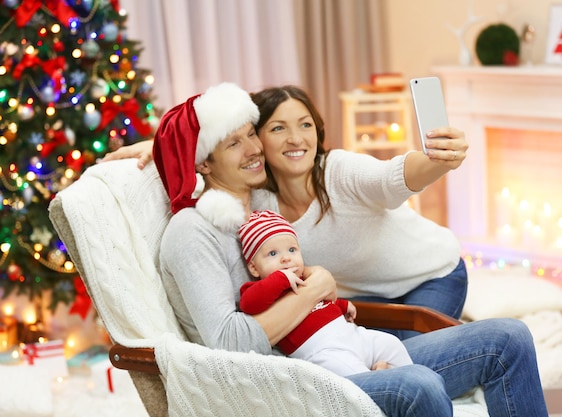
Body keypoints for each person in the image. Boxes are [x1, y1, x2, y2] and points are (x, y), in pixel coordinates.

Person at [141, 81, 548, 416]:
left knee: (509, 337)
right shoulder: (192, 231)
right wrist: (317, 289)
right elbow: (230, 343)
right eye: (233, 144)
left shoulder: (263, 202)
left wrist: (439, 160)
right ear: (202, 163)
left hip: (345, 340)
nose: (252, 149)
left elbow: (391, 177)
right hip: (295, 379)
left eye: (251, 135)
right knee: (417, 383)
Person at [104, 84, 469, 339]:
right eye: (278, 128)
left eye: (306, 125)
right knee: (357, 358)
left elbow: (395, 175)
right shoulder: (257, 201)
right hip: (363, 297)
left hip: (433, 277)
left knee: (409, 361)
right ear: (258, 138)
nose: (296, 139)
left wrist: (441, 160)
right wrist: (164, 146)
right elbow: (211, 159)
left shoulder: (340, 172)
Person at [238, 209, 413, 376]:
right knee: (350, 372)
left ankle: (391, 374)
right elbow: (248, 304)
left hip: (353, 335)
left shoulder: (306, 280)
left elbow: (321, 304)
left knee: (391, 344)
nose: (286, 258)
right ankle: (380, 379)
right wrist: (280, 280)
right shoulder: (258, 289)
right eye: (273, 253)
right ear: (254, 268)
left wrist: (342, 305)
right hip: (324, 352)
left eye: (292, 250)